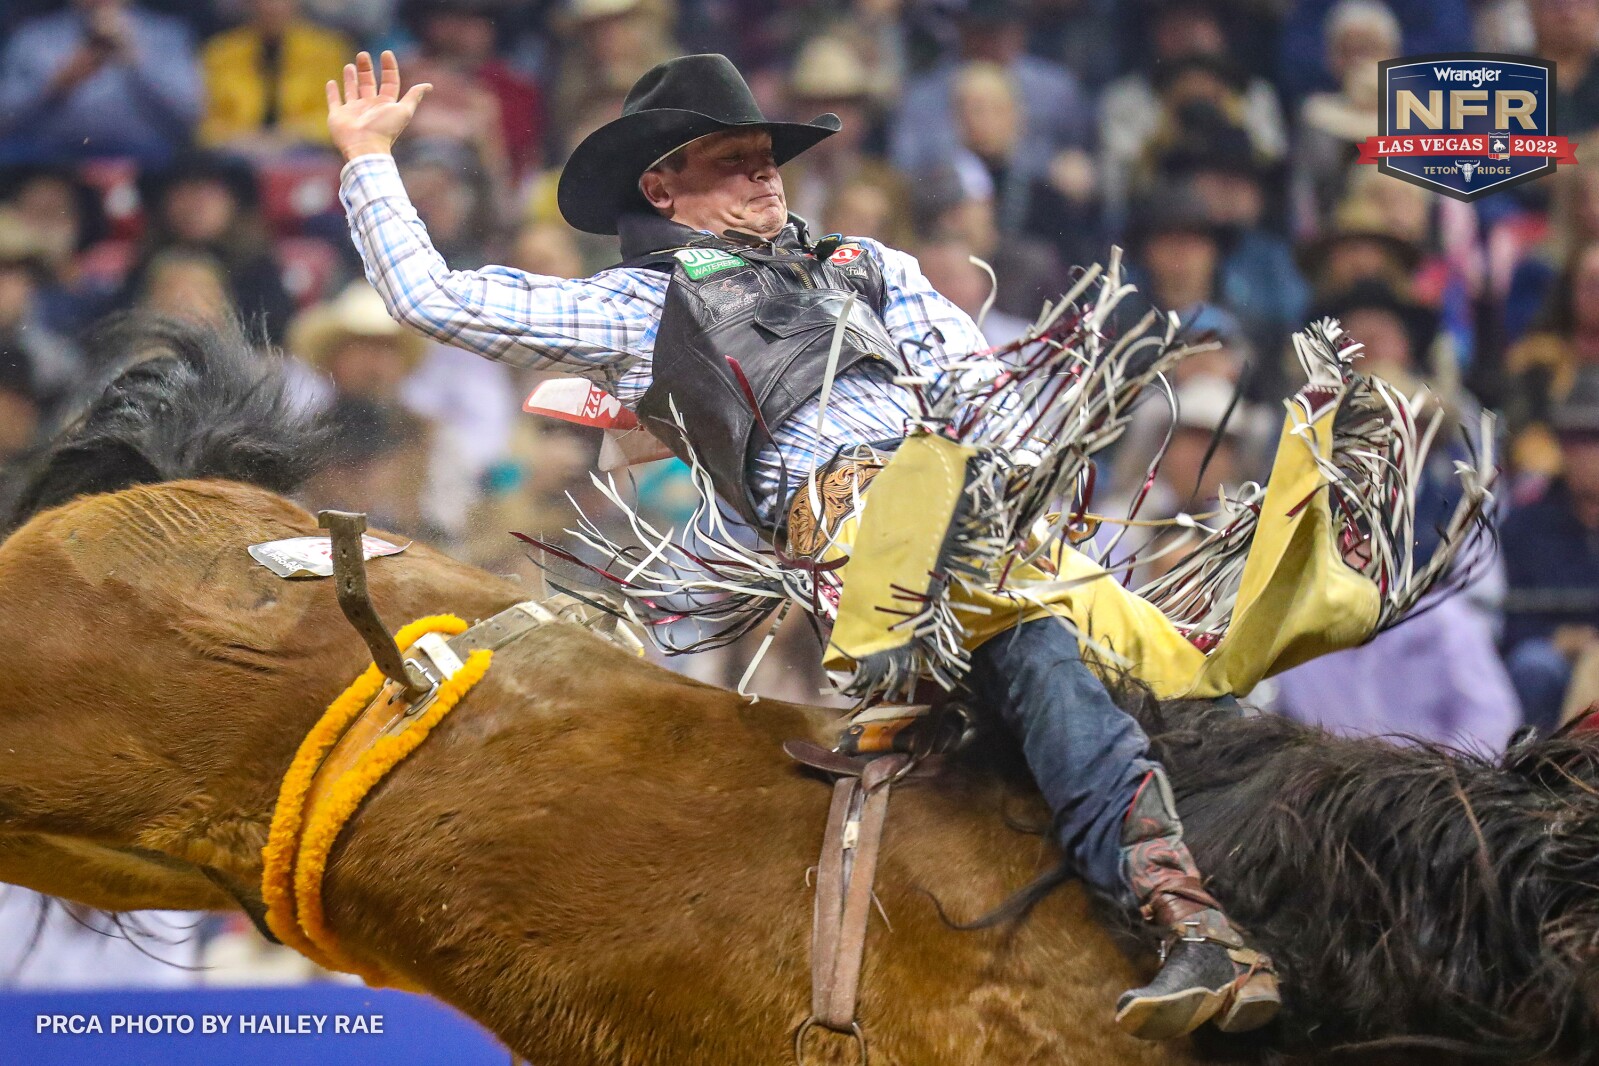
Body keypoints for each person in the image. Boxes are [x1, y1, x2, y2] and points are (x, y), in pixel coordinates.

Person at [325, 50, 1478, 1040]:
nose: (762, 169)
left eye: (762, 151)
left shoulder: (867, 266)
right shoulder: (640, 304)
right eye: (728, 158)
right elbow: (436, 299)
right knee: (1026, 636)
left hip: (974, 518)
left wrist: (1019, 482)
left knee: (1165, 663)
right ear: (663, 187)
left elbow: (977, 388)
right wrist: (369, 157)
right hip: (867, 553)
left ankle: (1221, 924)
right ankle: (1187, 921)